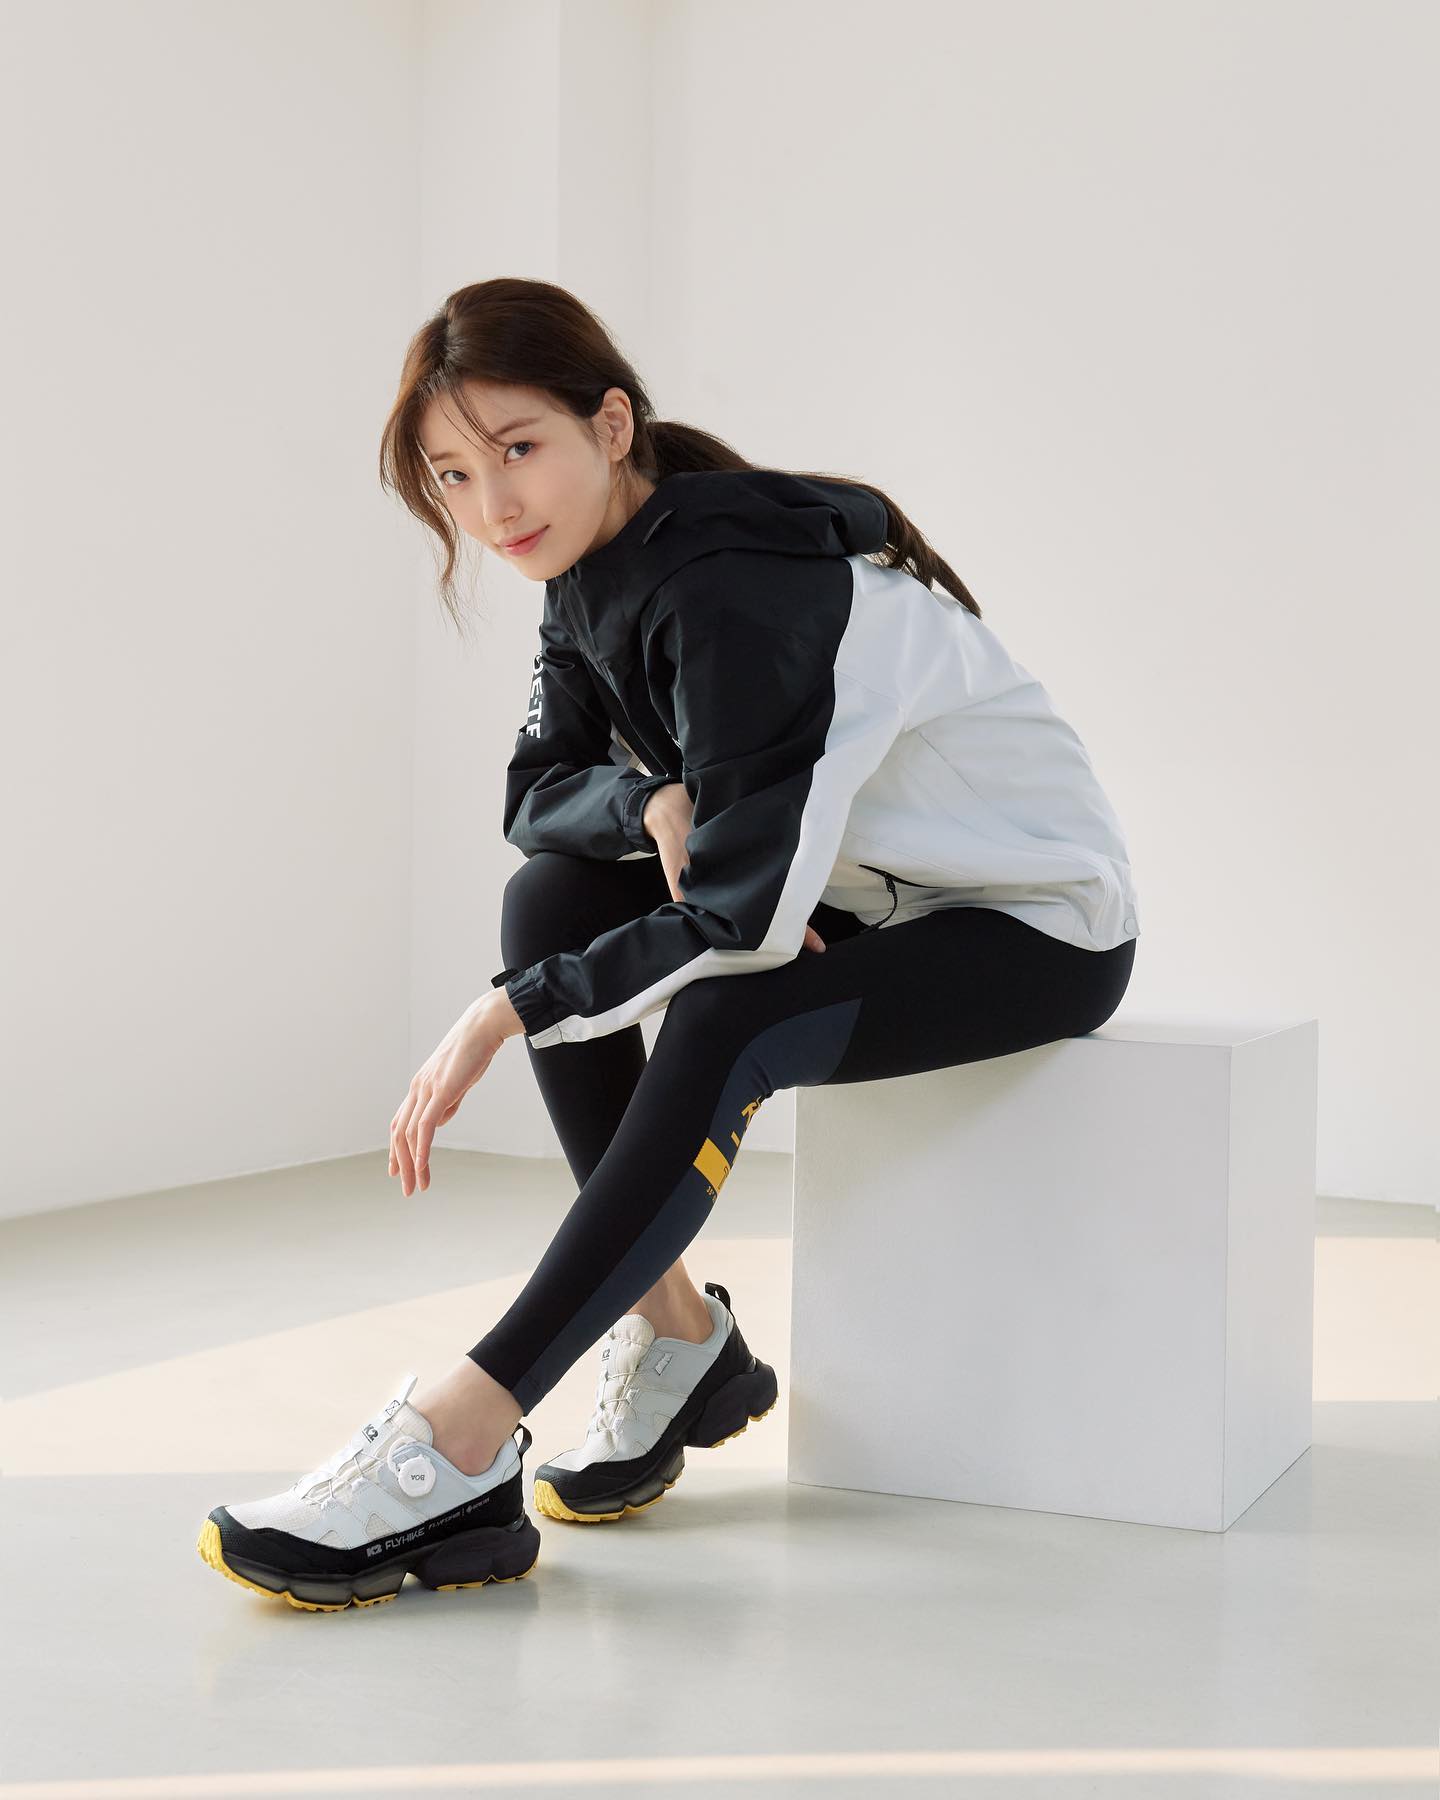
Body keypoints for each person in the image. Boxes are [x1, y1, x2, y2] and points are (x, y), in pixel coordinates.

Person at [196, 277, 1139, 1610]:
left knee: (720, 1014)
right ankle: (679, 1334)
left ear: (611, 424)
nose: (493, 505)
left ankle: (462, 1436)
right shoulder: (585, 566)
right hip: (864, 895)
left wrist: (506, 1012)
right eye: (453, 475)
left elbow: (742, 919)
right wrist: (647, 796)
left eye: (518, 449)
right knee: (547, 898)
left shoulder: (736, 586)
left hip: (1031, 924)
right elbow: (536, 794)